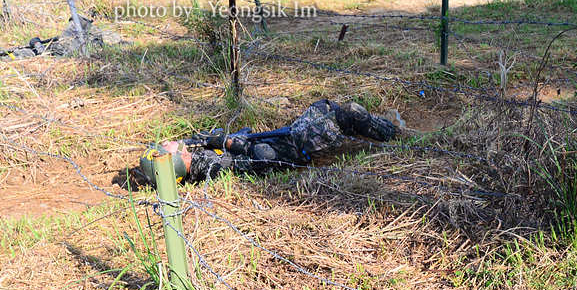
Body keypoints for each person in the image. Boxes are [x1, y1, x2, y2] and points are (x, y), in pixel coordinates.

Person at [138, 100, 399, 183]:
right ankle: (394, 134)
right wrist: (230, 142)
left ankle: (365, 128)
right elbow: (263, 157)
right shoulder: (209, 165)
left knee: (324, 106)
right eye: (167, 148)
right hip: (296, 149)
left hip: (288, 138)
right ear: (172, 161)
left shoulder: (196, 158)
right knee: (348, 112)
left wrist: (213, 139)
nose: (169, 143)